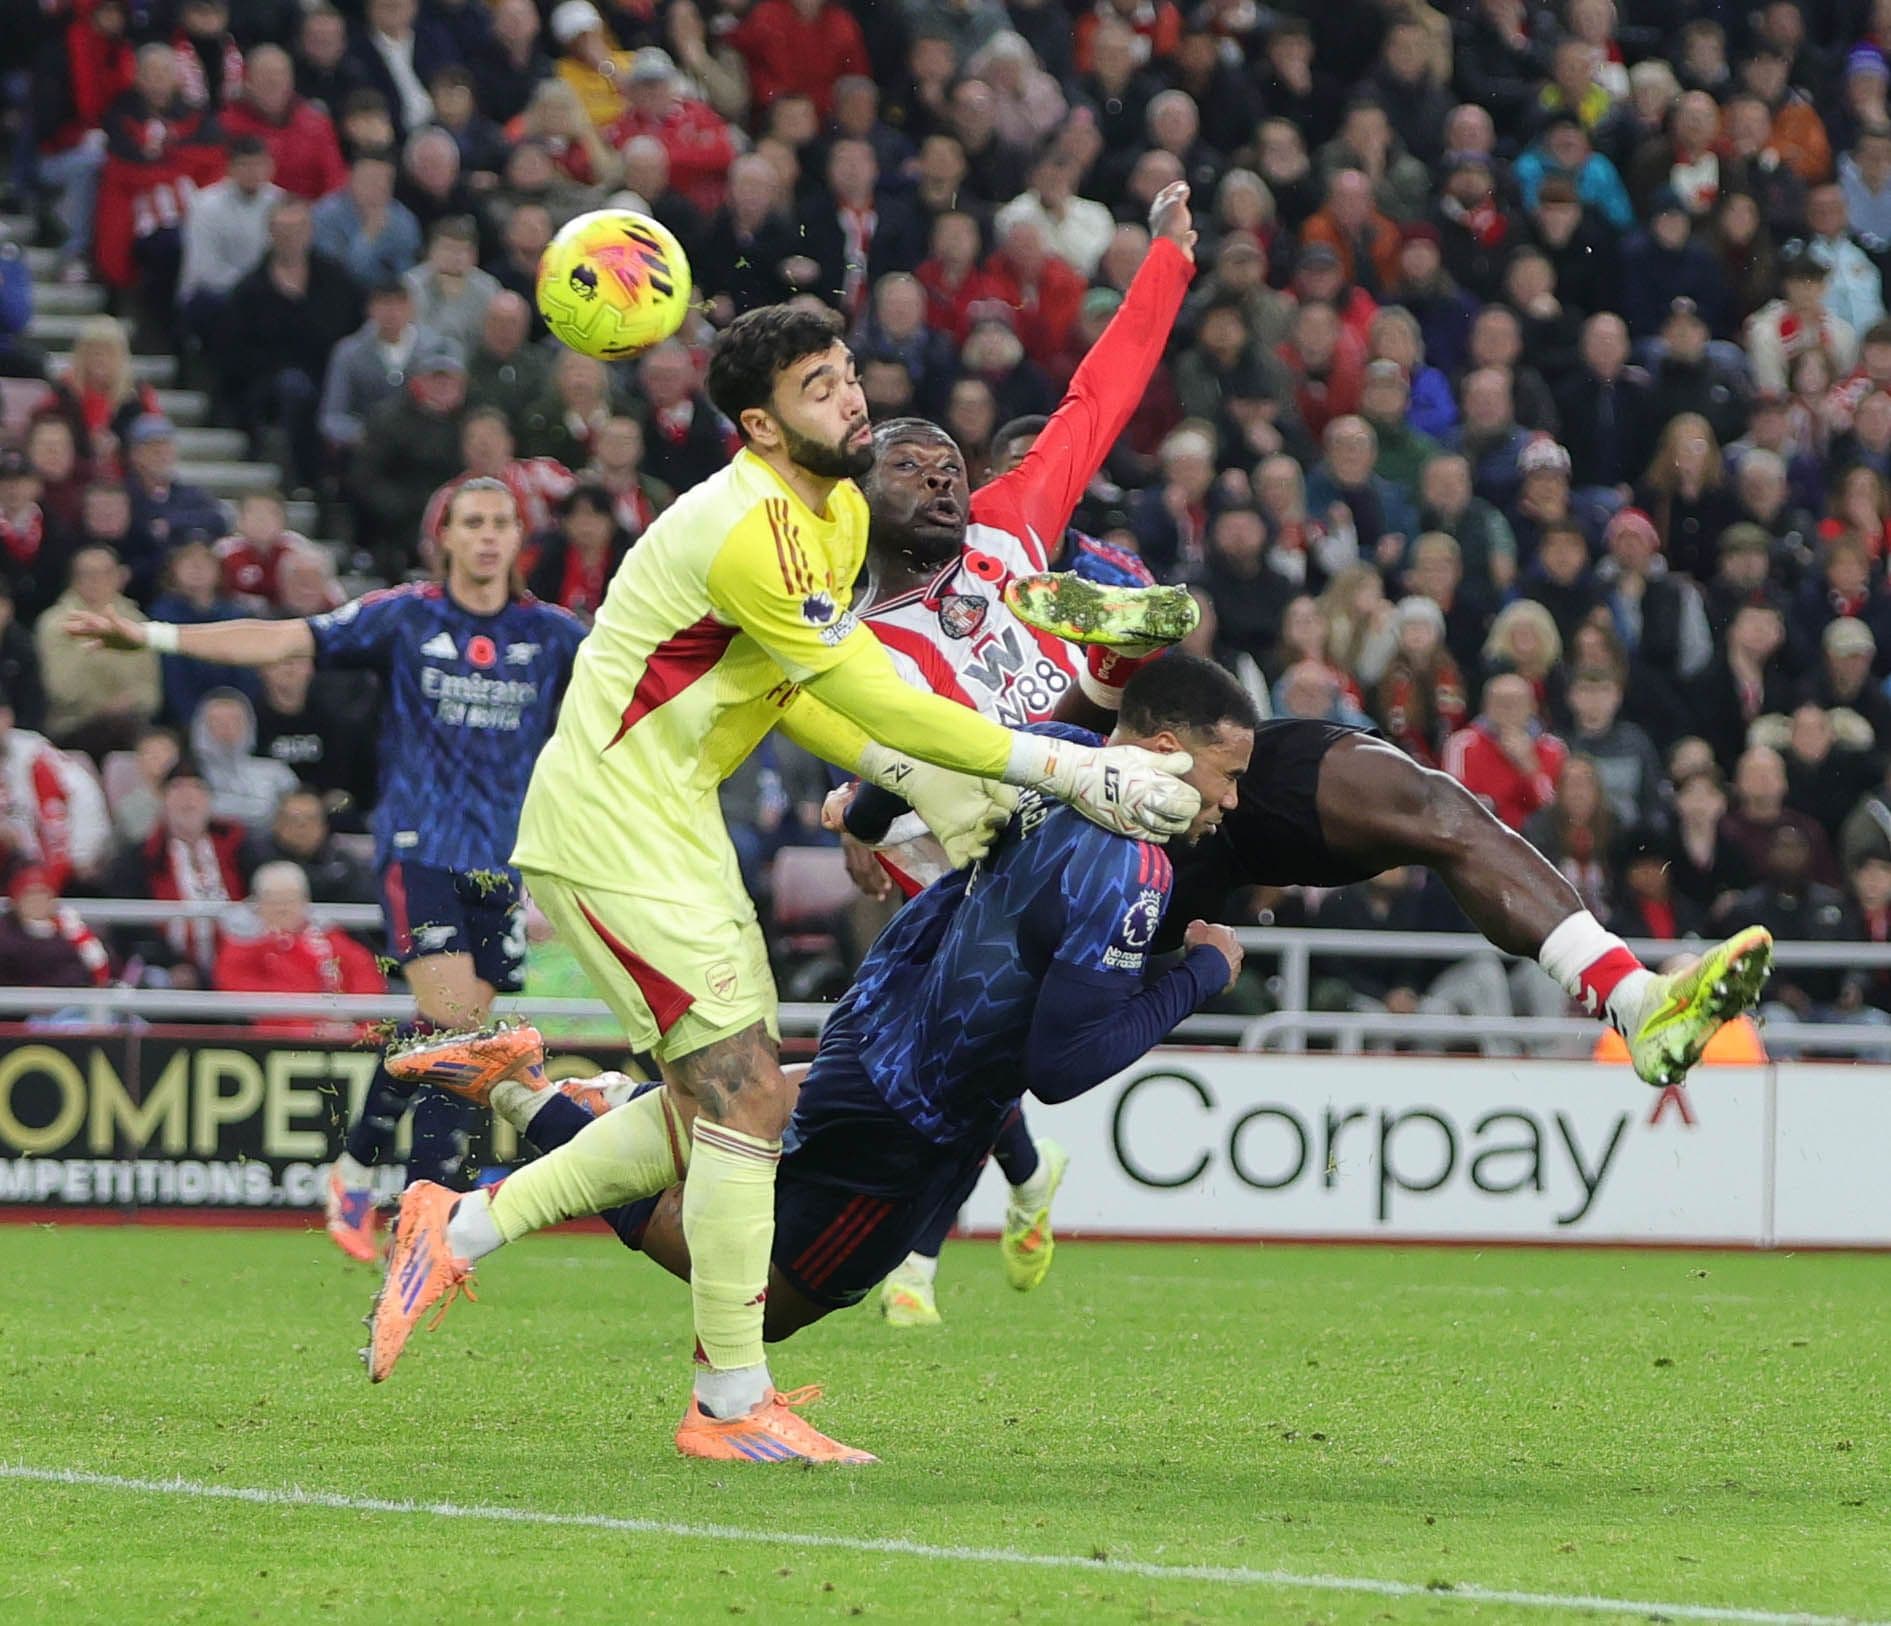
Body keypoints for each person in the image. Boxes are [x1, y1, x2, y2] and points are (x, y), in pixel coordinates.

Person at [362, 300, 1201, 1467]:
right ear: (759, 425)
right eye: (819, 387)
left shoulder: (836, 513)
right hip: (612, 824)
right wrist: (1067, 768)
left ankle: (465, 1214)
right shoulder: (750, 530)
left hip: (678, 823)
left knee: (718, 1105)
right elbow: (867, 691)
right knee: (748, 1101)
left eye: (848, 374)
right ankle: (725, 1405)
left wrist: (936, 795)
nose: (851, 397)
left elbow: (801, 695)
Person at [372, 656, 1253, 1380]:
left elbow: (888, 779)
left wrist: (868, 820)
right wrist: (1198, 976)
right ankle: (532, 1128)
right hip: (919, 1108)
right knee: (762, 1287)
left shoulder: (1058, 750)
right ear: (1167, 752)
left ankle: (539, 1104)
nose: (1233, 801)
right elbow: (1062, 1067)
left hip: (877, 1021)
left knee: (731, 1129)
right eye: (1230, 775)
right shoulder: (1133, 869)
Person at [66, 479, 586, 1261]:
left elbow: (641, 680)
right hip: (420, 847)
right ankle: (418, 1209)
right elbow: (278, 638)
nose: (487, 536)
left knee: (460, 1042)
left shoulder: (550, 635)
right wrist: (155, 637)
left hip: (501, 859)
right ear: (443, 537)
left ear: (520, 537)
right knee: (454, 1025)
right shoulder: (405, 616)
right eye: (472, 522)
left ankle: (375, 1180)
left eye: (501, 523)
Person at [212, 859, 384, 1036]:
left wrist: (351, 1015)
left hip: (346, 1028)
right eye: (273, 901)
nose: (282, 909)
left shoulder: (328, 935)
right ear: (258, 904)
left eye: (290, 900)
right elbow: (243, 992)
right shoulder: (244, 945)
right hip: (283, 1038)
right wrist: (315, 1025)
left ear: (304, 902)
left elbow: (364, 971)